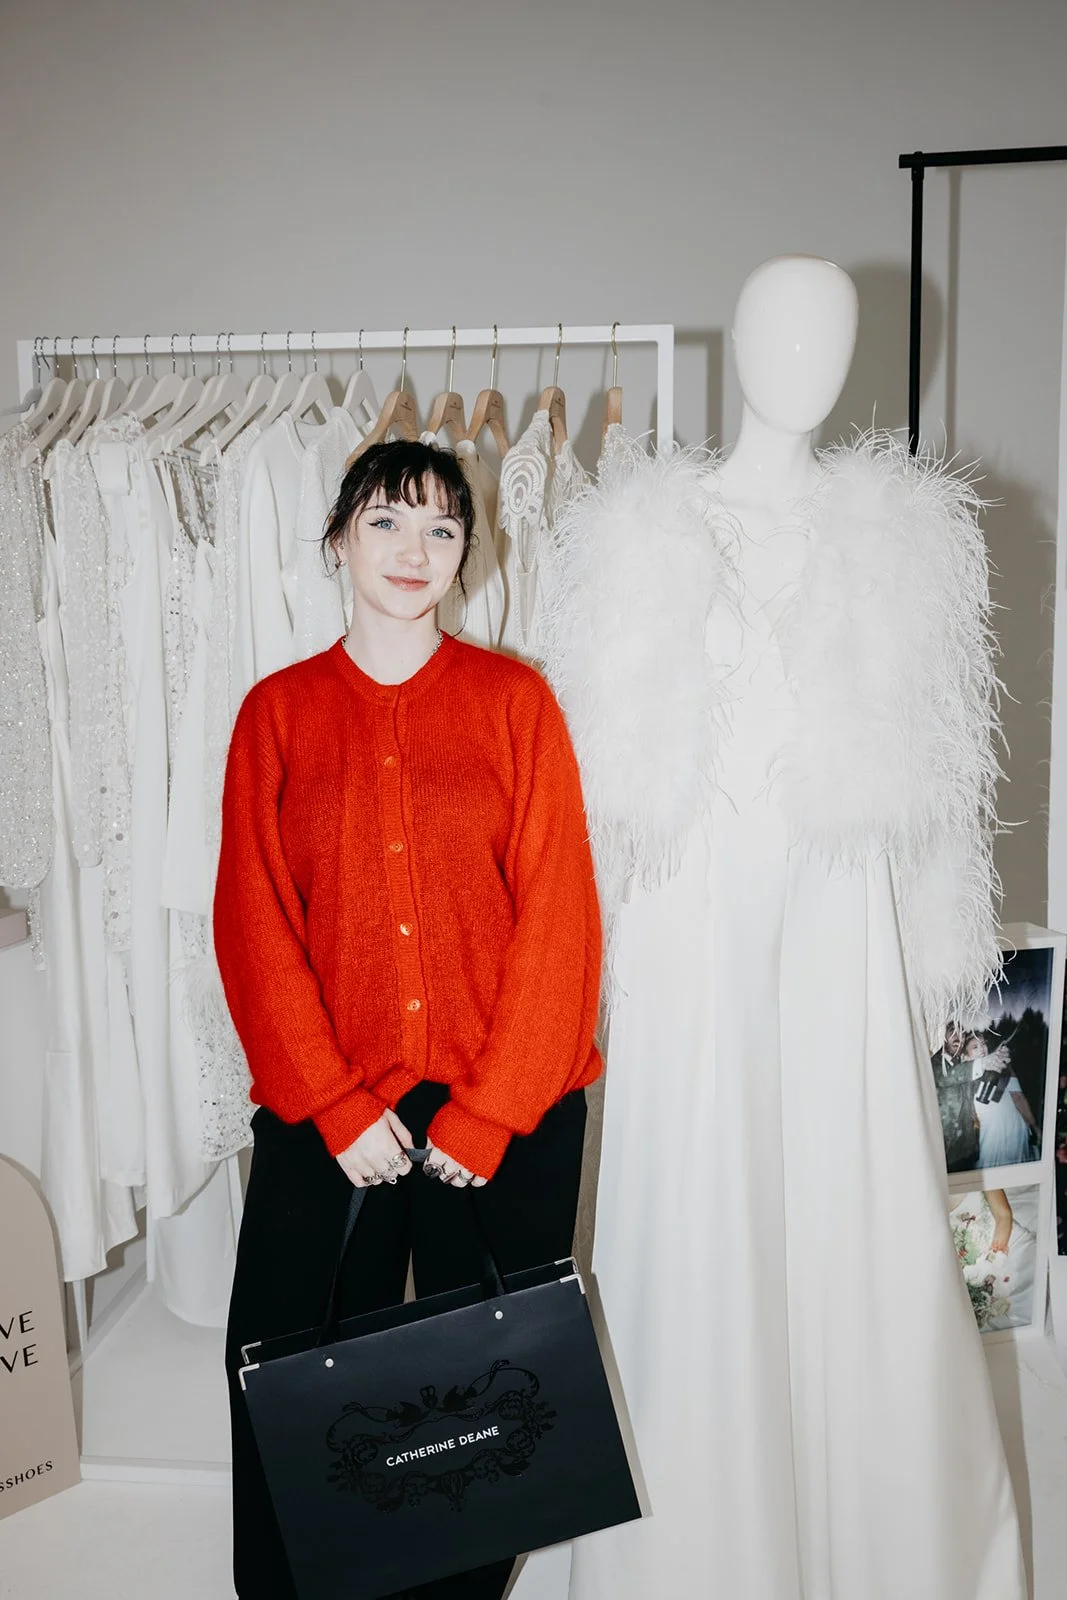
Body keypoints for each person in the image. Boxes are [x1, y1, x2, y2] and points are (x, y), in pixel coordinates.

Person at [214, 439, 603, 1600]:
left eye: (440, 529)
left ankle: (458, 1585)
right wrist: (332, 1102)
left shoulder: (515, 704)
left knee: (492, 1384)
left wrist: (488, 1111)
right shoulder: (275, 714)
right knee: (283, 1353)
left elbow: (559, 921)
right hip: (332, 1102)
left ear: (465, 557)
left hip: (504, 1099)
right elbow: (251, 921)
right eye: (386, 521)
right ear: (337, 538)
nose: (412, 551)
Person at [967, 1035, 1040, 1168]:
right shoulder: (963, 1078)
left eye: (983, 1044)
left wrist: (1035, 1127)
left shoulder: (1004, 1067)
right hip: (989, 1135)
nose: (982, 1049)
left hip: (1012, 1127)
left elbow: (1018, 1098)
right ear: (965, 1056)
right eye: (975, 1047)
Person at [930, 1023, 979, 1172]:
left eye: (962, 1033)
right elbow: (946, 1077)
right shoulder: (934, 1063)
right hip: (947, 1151)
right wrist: (983, 1063)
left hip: (969, 1148)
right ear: (943, 1036)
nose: (959, 1037)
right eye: (953, 1032)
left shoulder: (962, 1063)